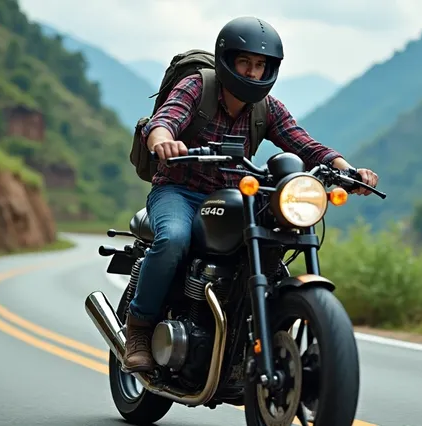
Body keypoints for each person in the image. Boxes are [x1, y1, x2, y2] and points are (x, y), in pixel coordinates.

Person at [123, 16, 379, 372]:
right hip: (179, 192)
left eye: (261, 65)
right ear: (226, 60)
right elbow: (165, 120)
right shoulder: (198, 86)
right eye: (245, 62)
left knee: (276, 239)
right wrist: (163, 140)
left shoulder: (267, 108)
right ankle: (139, 327)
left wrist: (347, 170)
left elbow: (303, 142)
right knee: (173, 239)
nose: (253, 72)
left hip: (234, 198)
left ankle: (254, 330)